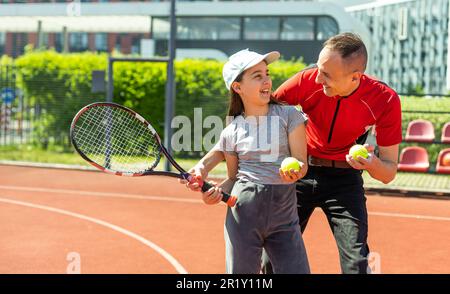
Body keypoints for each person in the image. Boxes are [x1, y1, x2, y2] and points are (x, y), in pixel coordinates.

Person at [184, 33, 402, 274]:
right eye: (318, 69)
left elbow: (388, 172)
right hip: (297, 176)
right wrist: (204, 165)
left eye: (326, 74)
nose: (317, 78)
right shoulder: (307, 81)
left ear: (355, 77)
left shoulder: (385, 100)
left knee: (357, 262)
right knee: (270, 264)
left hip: (345, 179)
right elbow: (250, 124)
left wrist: (370, 162)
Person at [189, 49, 310, 274]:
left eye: (267, 73)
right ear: (237, 87)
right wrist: (212, 194)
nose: (267, 80)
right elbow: (234, 179)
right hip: (243, 217)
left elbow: (302, 163)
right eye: (257, 76)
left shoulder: (290, 116)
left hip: (285, 220)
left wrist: (297, 171)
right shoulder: (232, 130)